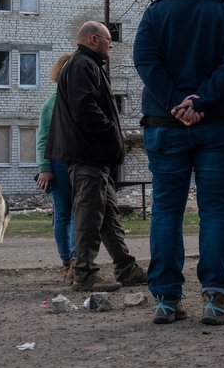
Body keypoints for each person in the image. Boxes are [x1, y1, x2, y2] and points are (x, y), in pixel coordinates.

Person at [132, 0, 224, 326]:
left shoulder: (155, 13)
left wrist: (174, 103)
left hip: (165, 125)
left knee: (166, 210)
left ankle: (166, 301)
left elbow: (145, 61)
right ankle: (215, 299)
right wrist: (201, 100)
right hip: (220, 124)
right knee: (215, 210)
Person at [46, 22, 147, 292]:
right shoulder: (82, 66)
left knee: (107, 217)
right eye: (107, 39)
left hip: (94, 158)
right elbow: (85, 109)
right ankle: (84, 274)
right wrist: (111, 131)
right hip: (88, 156)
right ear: (93, 39)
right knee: (89, 217)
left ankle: (126, 268)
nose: (111, 44)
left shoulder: (85, 65)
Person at [35, 52, 76, 282]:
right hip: (58, 165)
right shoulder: (52, 104)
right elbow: (42, 139)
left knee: (76, 213)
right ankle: (67, 261)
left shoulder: (77, 99)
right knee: (63, 214)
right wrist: (45, 167)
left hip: (77, 162)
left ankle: (75, 259)